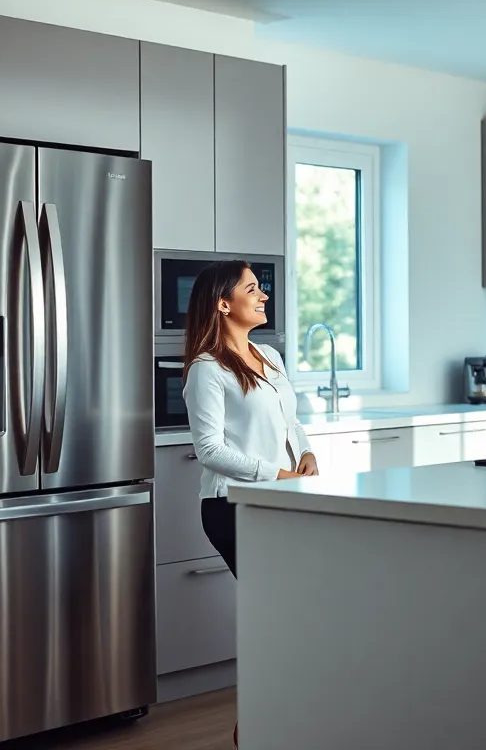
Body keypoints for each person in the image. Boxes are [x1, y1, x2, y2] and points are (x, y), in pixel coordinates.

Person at [179, 260, 318, 747]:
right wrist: (277, 475)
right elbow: (210, 449)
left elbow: (289, 421)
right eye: (252, 289)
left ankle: (283, 718)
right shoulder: (207, 369)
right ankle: (256, 726)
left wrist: (305, 452)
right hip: (232, 506)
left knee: (293, 609)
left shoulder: (270, 355)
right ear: (223, 303)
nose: (263, 296)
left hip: (278, 501)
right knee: (274, 611)